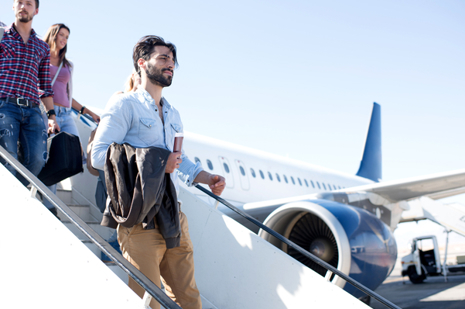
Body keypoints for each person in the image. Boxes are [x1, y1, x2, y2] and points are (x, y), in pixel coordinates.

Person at [91, 35, 226, 309]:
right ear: (142, 63)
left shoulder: (174, 113)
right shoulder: (124, 105)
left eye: (172, 61)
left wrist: (206, 178)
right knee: (146, 302)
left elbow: (180, 160)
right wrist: (155, 163)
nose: (170, 65)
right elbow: (97, 156)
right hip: (140, 219)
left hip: (174, 216)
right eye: (163, 58)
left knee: (189, 300)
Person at [40, 23, 100, 214]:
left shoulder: (68, 65)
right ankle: (51, 205)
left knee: (76, 154)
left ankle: (47, 194)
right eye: (62, 35)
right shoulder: (40, 57)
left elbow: (67, 94)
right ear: (53, 35)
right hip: (45, 112)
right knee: (51, 158)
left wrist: (86, 111)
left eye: (67, 37)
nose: (64, 40)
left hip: (66, 114)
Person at [0, 0, 59, 187]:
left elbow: (45, 86)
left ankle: (14, 193)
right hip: (5, 106)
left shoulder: (42, 47)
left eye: (28, 3)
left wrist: (51, 116)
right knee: (7, 160)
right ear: (13, 6)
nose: (23, 6)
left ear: (36, 10)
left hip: (33, 109)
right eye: (19, 2)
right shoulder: (2, 36)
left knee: (38, 160)